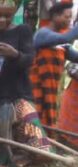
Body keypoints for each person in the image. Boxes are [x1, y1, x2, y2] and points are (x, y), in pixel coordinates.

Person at [0, 0, 51, 167]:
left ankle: (23, 153)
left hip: (17, 94)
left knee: (42, 149)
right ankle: (5, 154)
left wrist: (15, 55)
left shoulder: (23, 31)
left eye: (7, 16)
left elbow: (29, 60)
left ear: (14, 14)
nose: (2, 20)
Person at [30, 2, 78, 130]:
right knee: (35, 120)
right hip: (37, 87)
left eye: (70, 17)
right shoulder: (43, 34)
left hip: (52, 89)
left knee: (49, 122)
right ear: (55, 16)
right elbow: (66, 38)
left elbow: (76, 57)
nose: (69, 21)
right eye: (66, 17)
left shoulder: (62, 42)